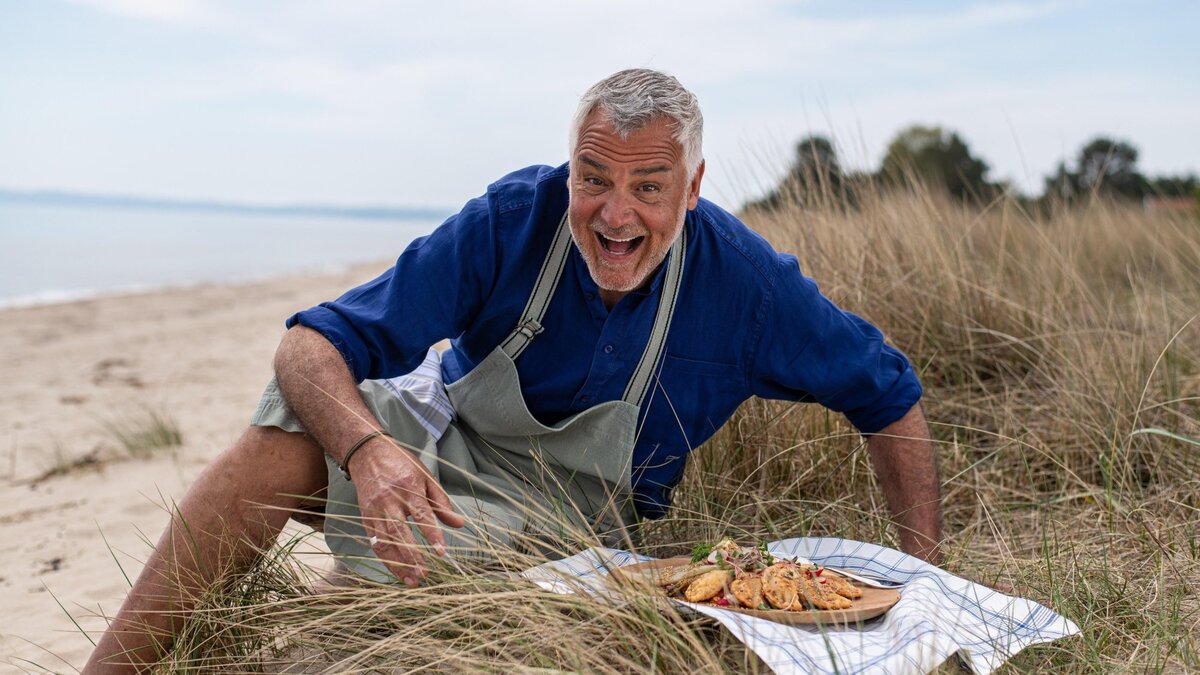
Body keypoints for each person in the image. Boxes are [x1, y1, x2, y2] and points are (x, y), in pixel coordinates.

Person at [85, 68, 941, 673]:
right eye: (593, 177)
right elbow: (307, 347)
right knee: (280, 431)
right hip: (436, 435)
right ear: (568, 167)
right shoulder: (513, 217)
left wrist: (926, 577)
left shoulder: (747, 285)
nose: (615, 213)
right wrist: (368, 452)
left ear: (693, 186)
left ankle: (353, 600)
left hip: (564, 523)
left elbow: (889, 395)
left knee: (405, 601)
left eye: (649, 187)